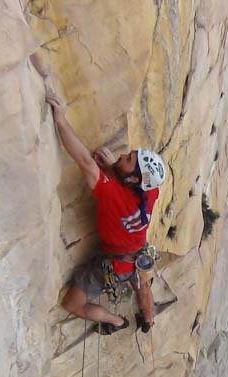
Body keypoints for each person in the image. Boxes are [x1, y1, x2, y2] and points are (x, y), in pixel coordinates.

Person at [46, 91, 165, 335]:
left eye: (129, 159)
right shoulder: (149, 191)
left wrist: (60, 119)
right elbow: (127, 184)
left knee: (71, 304)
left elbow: (84, 161)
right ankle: (148, 319)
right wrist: (114, 167)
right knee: (143, 283)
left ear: (133, 178)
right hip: (137, 253)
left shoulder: (114, 197)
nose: (123, 155)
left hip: (113, 265)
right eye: (130, 154)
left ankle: (115, 321)